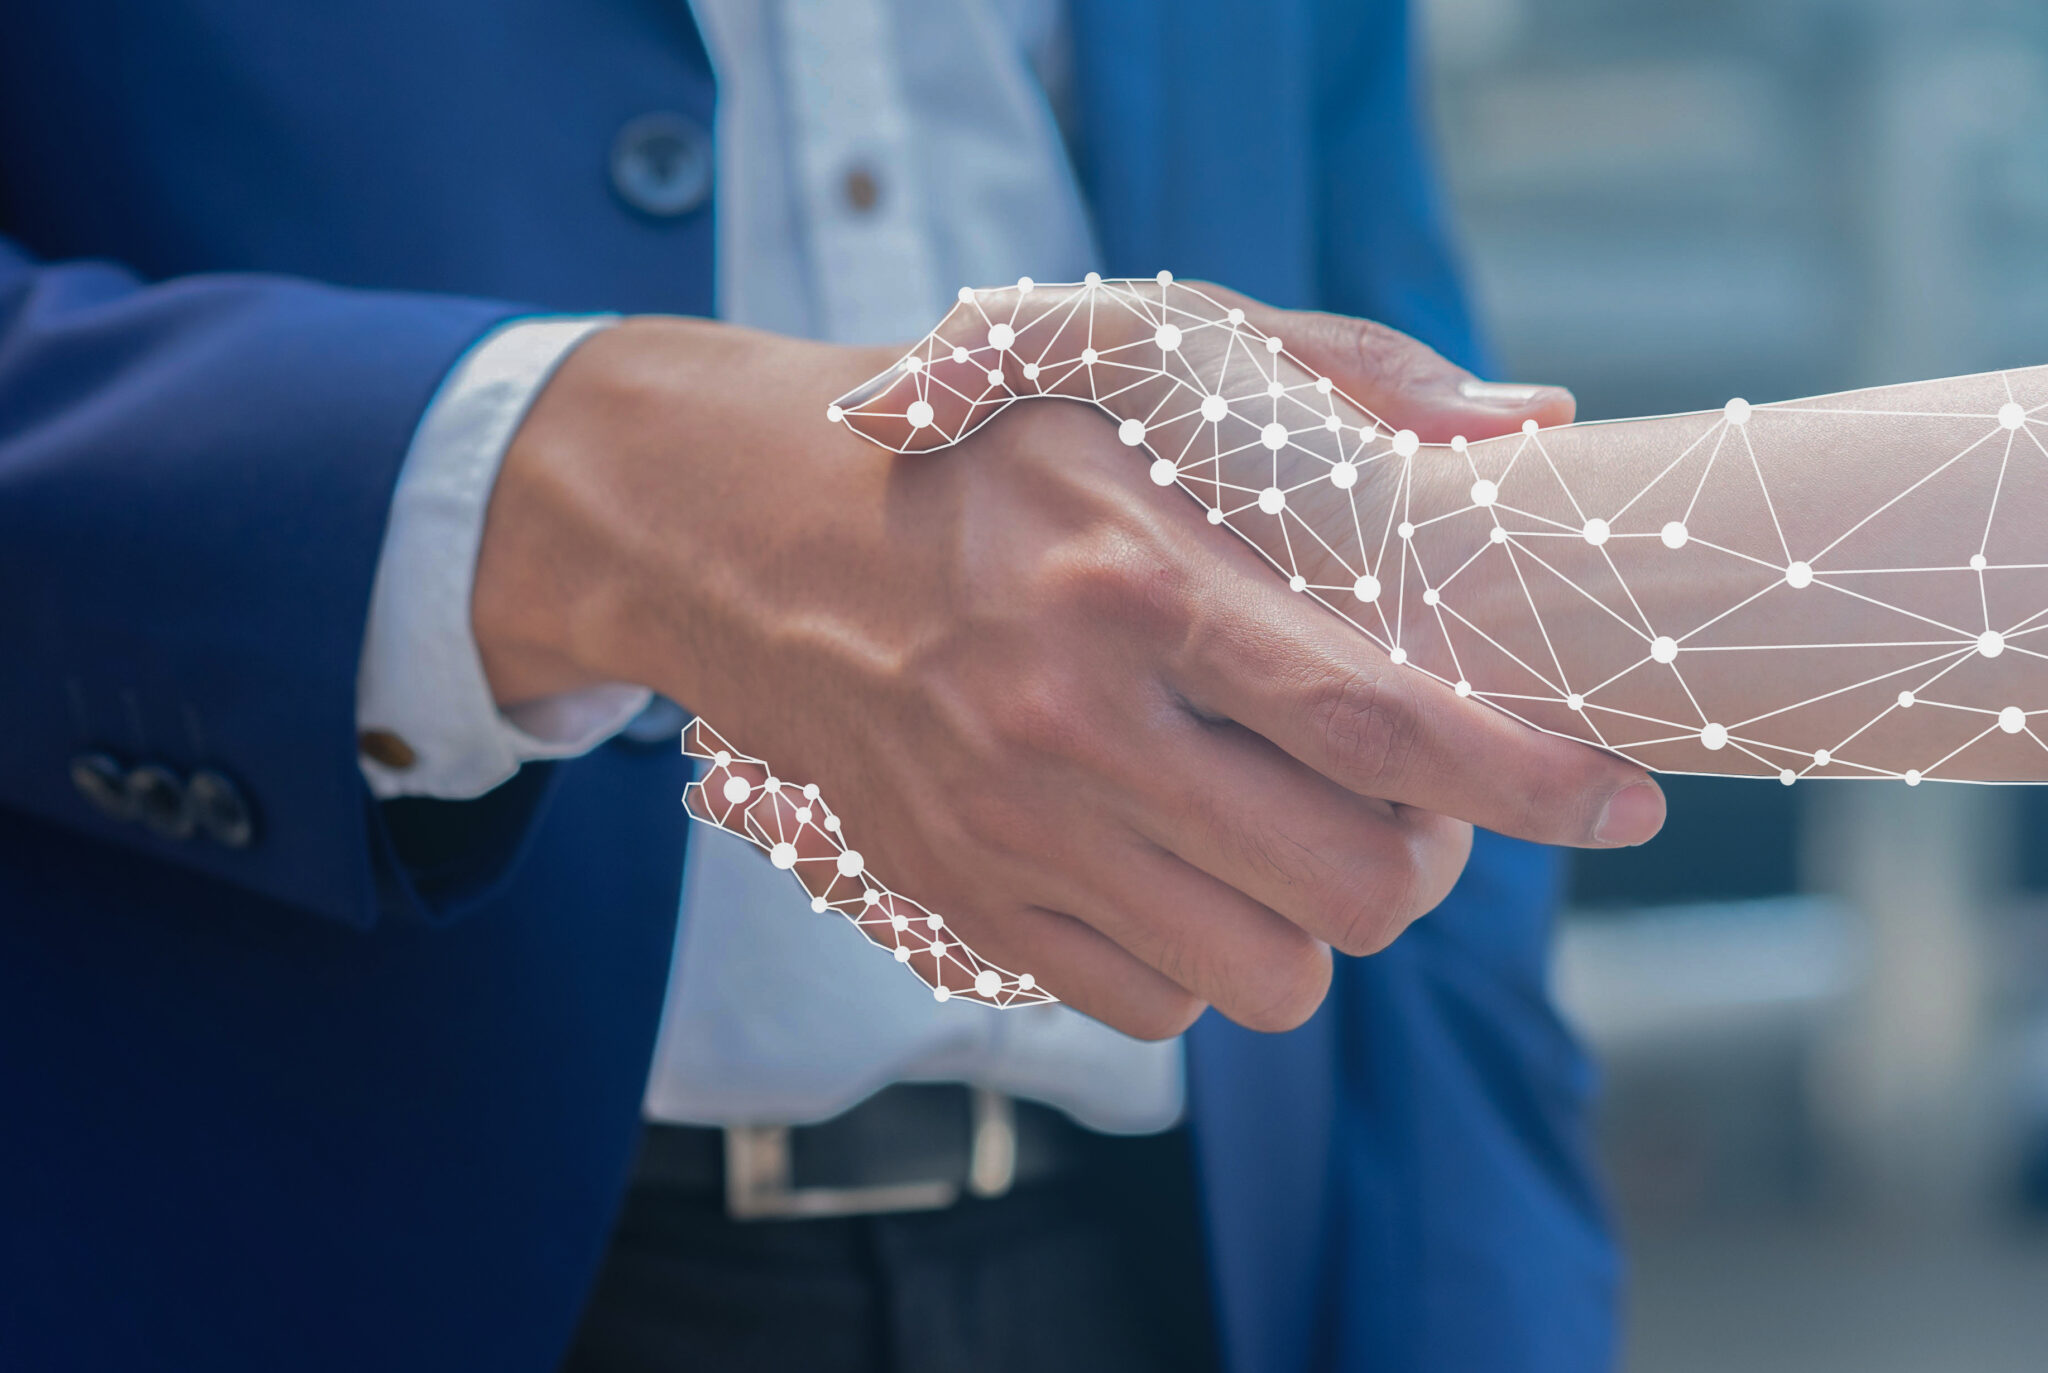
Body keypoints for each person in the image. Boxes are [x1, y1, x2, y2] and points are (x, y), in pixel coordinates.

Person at [0, 2, 1655, 1370]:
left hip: (1171, 1275)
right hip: (257, 1234)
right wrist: (594, 488)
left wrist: (1486, 1319)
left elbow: (1422, 600)